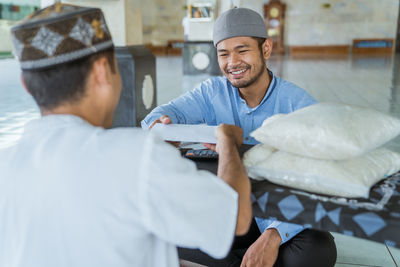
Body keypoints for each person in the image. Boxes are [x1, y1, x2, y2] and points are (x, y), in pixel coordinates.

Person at [0, 4, 253, 267]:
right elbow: (235, 217)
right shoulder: (137, 157)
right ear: (102, 72)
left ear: (26, 86)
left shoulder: (4, 167)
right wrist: (227, 144)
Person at [142, 7, 337, 267]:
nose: (232, 62)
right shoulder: (212, 92)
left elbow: (322, 179)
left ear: (265, 49)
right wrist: (162, 123)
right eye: (223, 53)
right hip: (229, 212)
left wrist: (274, 236)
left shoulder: (297, 104)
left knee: (318, 251)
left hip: (278, 213)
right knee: (162, 230)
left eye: (242, 50)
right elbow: (166, 113)